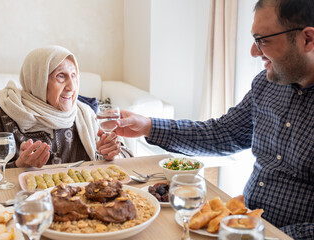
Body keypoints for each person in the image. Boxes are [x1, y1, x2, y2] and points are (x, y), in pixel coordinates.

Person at [114, 0, 314, 239]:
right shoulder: (266, 85)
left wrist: (264, 235)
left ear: (308, 39)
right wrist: (148, 126)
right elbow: (223, 133)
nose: (253, 51)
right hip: (241, 226)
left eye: (263, 40)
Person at [0, 45, 122, 170]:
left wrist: (108, 154)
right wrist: (19, 166)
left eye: (73, 75)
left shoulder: (85, 115)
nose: (72, 87)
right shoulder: (1, 121)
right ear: (38, 81)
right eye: (61, 76)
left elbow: (123, 161)